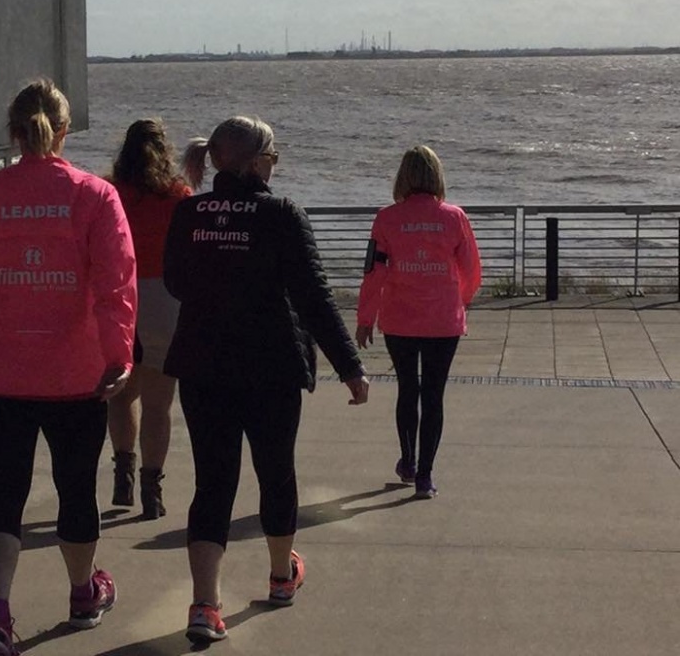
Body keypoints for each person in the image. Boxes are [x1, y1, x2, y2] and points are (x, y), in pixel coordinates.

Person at [0, 79, 137, 656]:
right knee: (76, 489)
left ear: (13, 131)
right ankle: (81, 592)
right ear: (63, 131)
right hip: (77, 372)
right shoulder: (94, 195)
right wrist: (119, 355)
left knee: (2, 493)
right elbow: (117, 284)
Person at [163, 115, 370, 644]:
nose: (275, 167)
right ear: (257, 162)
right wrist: (349, 365)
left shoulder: (189, 212)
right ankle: (281, 576)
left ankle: (204, 605)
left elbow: (176, 281)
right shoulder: (281, 214)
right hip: (270, 365)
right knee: (275, 470)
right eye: (273, 158)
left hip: (204, 364)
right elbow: (313, 296)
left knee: (213, 482)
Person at [355, 145, 482, 499]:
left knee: (407, 390)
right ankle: (425, 475)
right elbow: (472, 271)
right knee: (434, 395)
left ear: (403, 178)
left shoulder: (386, 218)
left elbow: (373, 273)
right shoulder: (455, 218)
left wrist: (365, 318)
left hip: (400, 320)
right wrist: (462, 301)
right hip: (443, 320)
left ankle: (408, 460)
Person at [105, 118, 192, 519]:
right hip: (164, 301)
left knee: (123, 396)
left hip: (120, 296)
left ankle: (122, 471)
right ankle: (151, 489)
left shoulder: (109, 192)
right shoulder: (178, 195)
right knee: (159, 405)